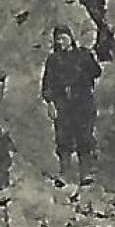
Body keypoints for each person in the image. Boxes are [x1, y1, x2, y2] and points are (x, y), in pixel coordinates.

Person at [40, 26, 102, 186]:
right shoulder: (53, 60)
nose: (61, 42)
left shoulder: (83, 55)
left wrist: (90, 60)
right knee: (63, 139)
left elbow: (97, 72)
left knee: (85, 138)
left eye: (64, 37)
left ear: (71, 37)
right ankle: (64, 174)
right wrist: (50, 104)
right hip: (63, 104)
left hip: (83, 101)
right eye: (58, 39)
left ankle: (86, 174)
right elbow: (47, 84)